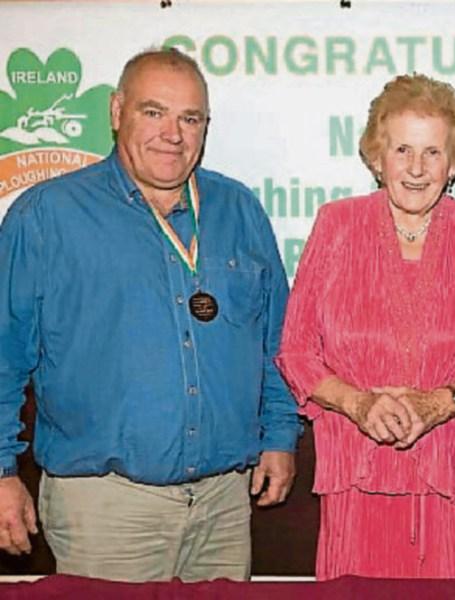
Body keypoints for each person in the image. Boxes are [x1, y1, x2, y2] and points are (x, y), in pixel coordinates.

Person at [0, 48, 301, 582]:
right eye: (153, 112)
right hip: (104, 510)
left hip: (224, 505)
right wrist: (1, 472)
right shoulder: (46, 216)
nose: (173, 134)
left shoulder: (239, 210)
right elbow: (3, 355)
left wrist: (279, 436)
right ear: (116, 112)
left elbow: (274, 341)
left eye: (190, 118)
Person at [277, 73, 455, 580]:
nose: (416, 169)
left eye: (433, 152)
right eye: (402, 150)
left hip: (446, 482)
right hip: (354, 478)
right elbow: (297, 352)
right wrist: (358, 403)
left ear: (454, 162)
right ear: (376, 156)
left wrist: (441, 404)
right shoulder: (336, 224)